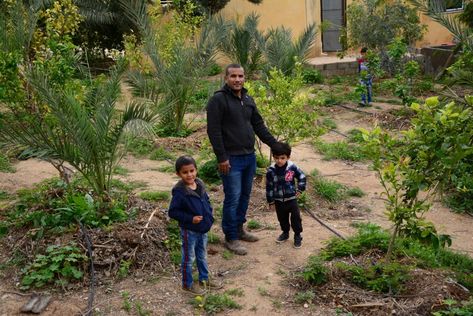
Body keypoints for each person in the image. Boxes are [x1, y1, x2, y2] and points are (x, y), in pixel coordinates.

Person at [207, 63, 277, 255]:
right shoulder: (218, 100)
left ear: (244, 78)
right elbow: (213, 131)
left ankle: (239, 229)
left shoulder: (247, 99)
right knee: (233, 198)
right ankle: (230, 237)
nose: (237, 80)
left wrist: (275, 144)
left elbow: (259, 125)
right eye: (233, 76)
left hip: (249, 157)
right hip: (231, 160)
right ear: (226, 78)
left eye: (240, 76)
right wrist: (222, 158)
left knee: (245, 196)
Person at [168, 156, 217, 295]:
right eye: (185, 172)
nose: (189, 175)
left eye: (192, 170)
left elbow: (205, 201)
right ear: (178, 174)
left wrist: (209, 216)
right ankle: (187, 284)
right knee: (189, 258)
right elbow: (173, 212)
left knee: (202, 255)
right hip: (189, 231)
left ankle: (204, 279)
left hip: (203, 229)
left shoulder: (200, 184)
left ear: (196, 170)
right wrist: (190, 219)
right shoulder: (180, 192)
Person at [266, 142, 306, 248]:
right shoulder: (271, 170)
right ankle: (285, 233)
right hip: (278, 200)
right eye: (277, 157)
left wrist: (300, 189)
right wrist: (271, 201)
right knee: (282, 218)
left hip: (291, 199)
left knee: (296, 218)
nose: (279, 160)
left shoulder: (292, 167)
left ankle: (297, 235)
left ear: (288, 157)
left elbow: (302, 176)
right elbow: (269, 186)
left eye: (282, 158)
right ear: (273, 157)